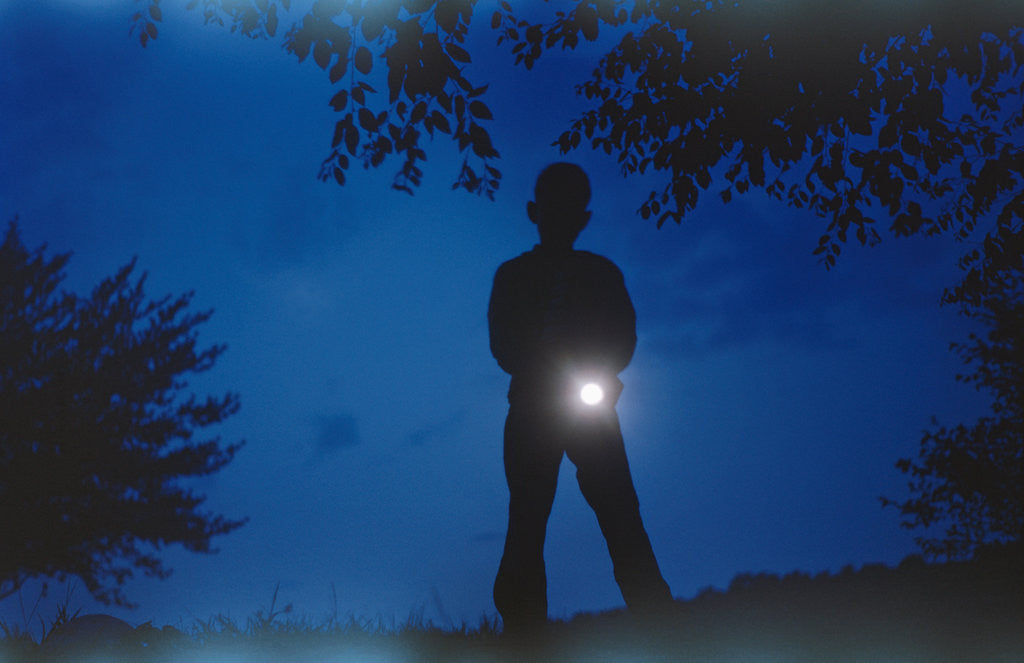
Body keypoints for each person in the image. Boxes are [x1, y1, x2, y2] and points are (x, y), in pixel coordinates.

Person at [487, 162, 673, 635]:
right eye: (553, 209)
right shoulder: (514, 275)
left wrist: (599, 375)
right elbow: (504, 346)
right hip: (535, 409)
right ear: (535, 212)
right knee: (528, 521)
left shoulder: (600, 274)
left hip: (587, 410)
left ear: (582, 218)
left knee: (620, 519)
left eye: (567, 210)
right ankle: (524, 635)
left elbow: (622, 340)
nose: (560, 219)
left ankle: (662, 630)